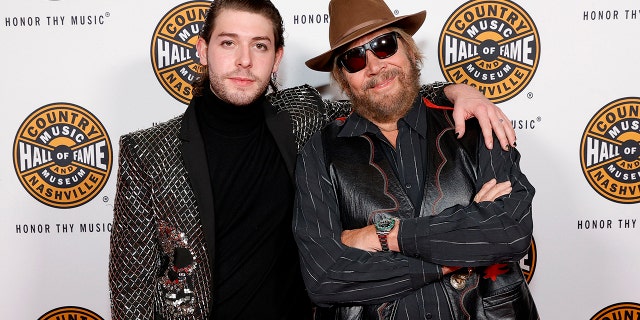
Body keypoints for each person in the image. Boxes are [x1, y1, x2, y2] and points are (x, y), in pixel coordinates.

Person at [108, 0, 518, 319]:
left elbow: (383, 91)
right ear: (202, 50)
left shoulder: (303, 115)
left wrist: (458, 90)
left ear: (277, 57)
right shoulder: (147, 151)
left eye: (260, 45)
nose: (244, 60)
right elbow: (131, 288)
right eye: (228, 42)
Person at [293, 0, 538, 319]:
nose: (374, 66)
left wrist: (385, 235)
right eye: (354, 58)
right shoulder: (320, 149)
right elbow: (324, 278)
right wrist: (462, 246)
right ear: (343, 77)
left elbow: (510, 232)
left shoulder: (476, 124)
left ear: (408, 49)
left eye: (383, 46)